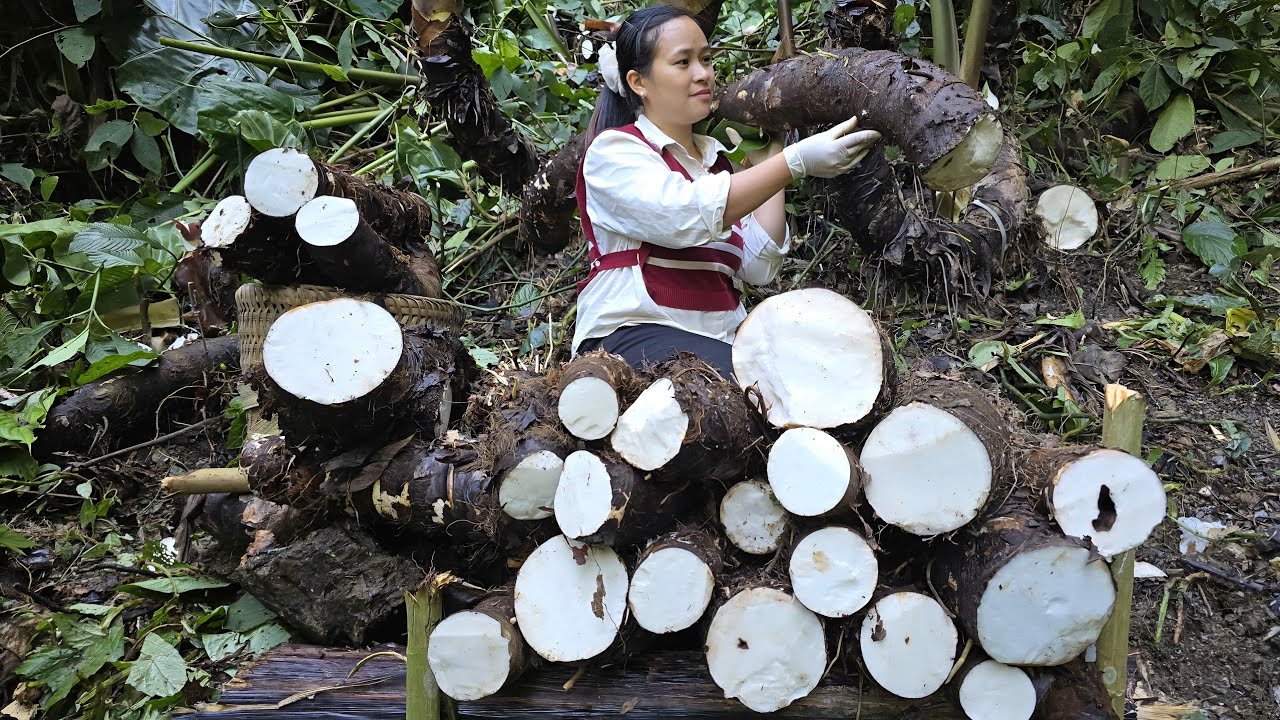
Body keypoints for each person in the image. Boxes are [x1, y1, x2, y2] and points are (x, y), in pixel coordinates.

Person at [572, 5, 881, 379]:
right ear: (639, 82)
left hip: (718, 344)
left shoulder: (717, 165)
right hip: (630, 337)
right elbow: (681, 214)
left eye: (705, 59)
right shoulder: (615, 151)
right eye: (683, 62)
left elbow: (758, 265)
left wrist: (772, 160)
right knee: (768, 388)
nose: (703, 73)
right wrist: (795, 162)